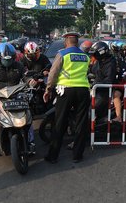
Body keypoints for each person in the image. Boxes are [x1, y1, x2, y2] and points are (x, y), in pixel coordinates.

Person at [43, 32, 91, 164]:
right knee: (81, 123)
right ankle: (77, 155)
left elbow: (53, 74)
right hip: (83, 90)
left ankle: (53, 156)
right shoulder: (85, 56)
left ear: (66, 42)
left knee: (59, 123)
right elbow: (86, 72)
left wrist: (48, 89)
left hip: (65, 91)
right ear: (77, 42)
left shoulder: (63, 54)